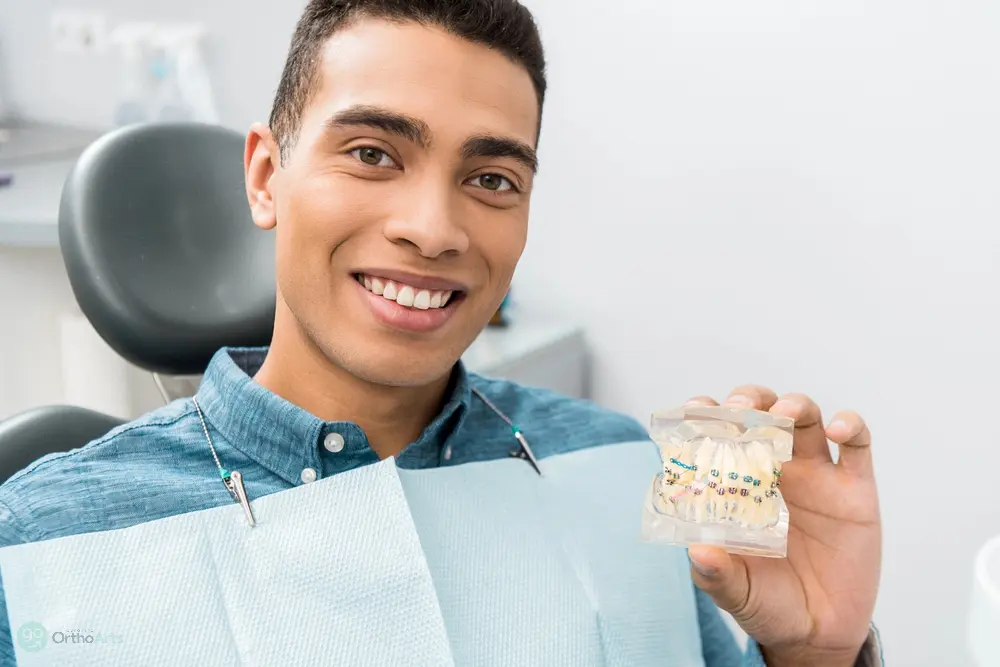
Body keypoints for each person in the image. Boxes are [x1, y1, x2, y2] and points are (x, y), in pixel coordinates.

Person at [0, 1, 883, 664]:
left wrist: (817, 655)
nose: (434, 227)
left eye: (492, 177)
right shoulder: (38, 538)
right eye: (374, 153)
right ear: (267, 177)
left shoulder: (615, 462)